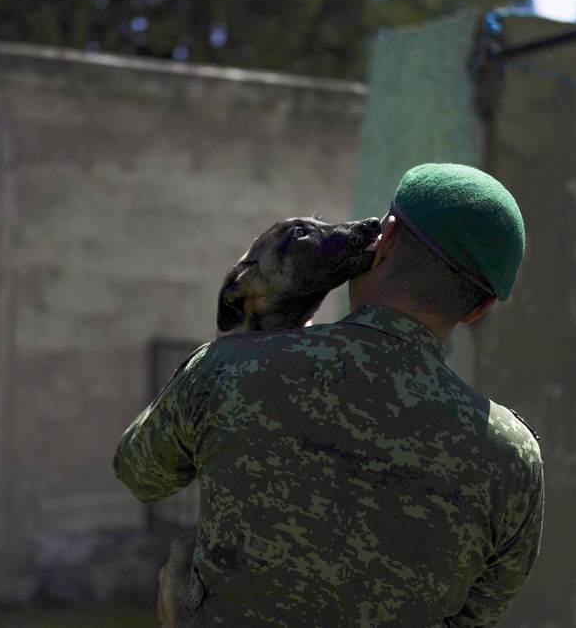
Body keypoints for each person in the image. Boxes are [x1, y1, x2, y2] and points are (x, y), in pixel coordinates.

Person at [114, 162, 544, 627]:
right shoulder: (513, 457)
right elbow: (475, 616)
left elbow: (140, 473)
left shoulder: (230, 369)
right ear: (481, 309)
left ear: (387, 239)